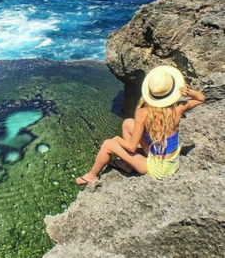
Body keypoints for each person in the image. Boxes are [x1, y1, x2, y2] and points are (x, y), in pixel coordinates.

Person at [76, 65, 206, 184]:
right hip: (171, 164)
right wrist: (190, 93)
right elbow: (201, 99)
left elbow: (132, 147)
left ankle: (92, 175)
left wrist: (116, 140)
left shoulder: (143, 113)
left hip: (157, 170)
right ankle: (126, 164)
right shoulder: (178, 109)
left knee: (107, 144)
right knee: (128, 123)